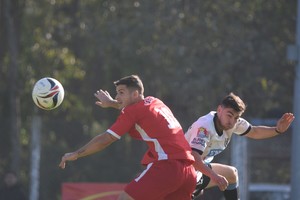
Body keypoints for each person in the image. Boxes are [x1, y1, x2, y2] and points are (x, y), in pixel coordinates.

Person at [59, 75, 197, 200]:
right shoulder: (154, 101)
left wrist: (76, 153)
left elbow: (105, 139)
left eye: (121, 93)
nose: (117, 97)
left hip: (168, 167)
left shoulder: (133, 111)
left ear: (136, 93)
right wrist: (112, 103)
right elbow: (135, 109)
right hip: (189, 172)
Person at [184, 92, 295, 200]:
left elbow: (254, 131)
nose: (232, 121)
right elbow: (193, 157)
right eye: (229, 115)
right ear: (219, 110)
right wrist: (214, 176)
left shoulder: (233, 123)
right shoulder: (204, 126)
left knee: (231, 174)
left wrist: (277, 130)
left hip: (198, 169)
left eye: (236, 118)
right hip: (183, 170)